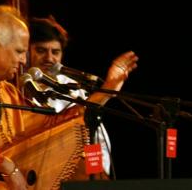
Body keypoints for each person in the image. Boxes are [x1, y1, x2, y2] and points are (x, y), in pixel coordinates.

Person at [0, 5, 138, 189]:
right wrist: (6, 166)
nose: (23, 60)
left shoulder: (7, 92)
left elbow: (53, 124)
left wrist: (108, 88)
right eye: (19, 51)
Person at [27, 15, 138, 179]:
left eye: (55, 52)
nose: (49, 58)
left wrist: (97, 174)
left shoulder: (72, 88)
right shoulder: (16, 87)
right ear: (26, 51)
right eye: (41, 50)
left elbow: (95, 137)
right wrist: (107, 89)